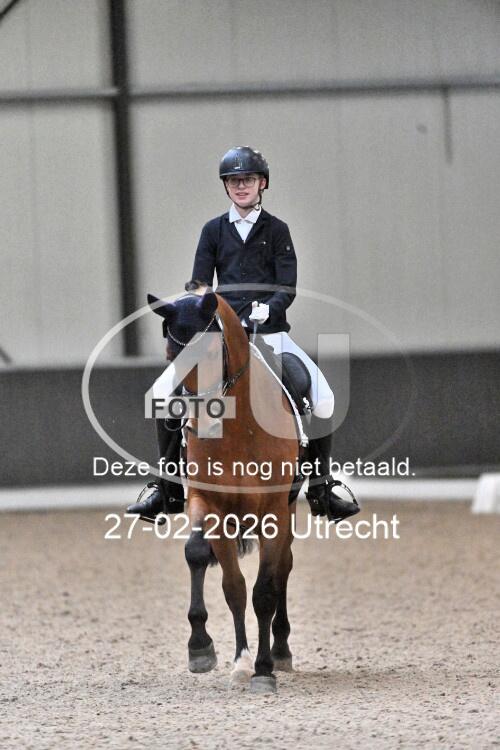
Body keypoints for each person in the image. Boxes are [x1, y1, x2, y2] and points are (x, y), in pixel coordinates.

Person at [128, 146, 359, 522]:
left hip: (269, 334)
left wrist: (270, 307)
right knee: (161, 395)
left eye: (248, 179)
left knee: (324, 398)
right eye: (234, 181)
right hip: (219, 335)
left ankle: (322, 487)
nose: (241, 186)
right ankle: (166, 489)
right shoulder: (213, 231)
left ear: (262, 183)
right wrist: (200, 305)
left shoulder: (277, 230)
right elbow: (199, 283)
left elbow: (287, 286)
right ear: (226, 186)